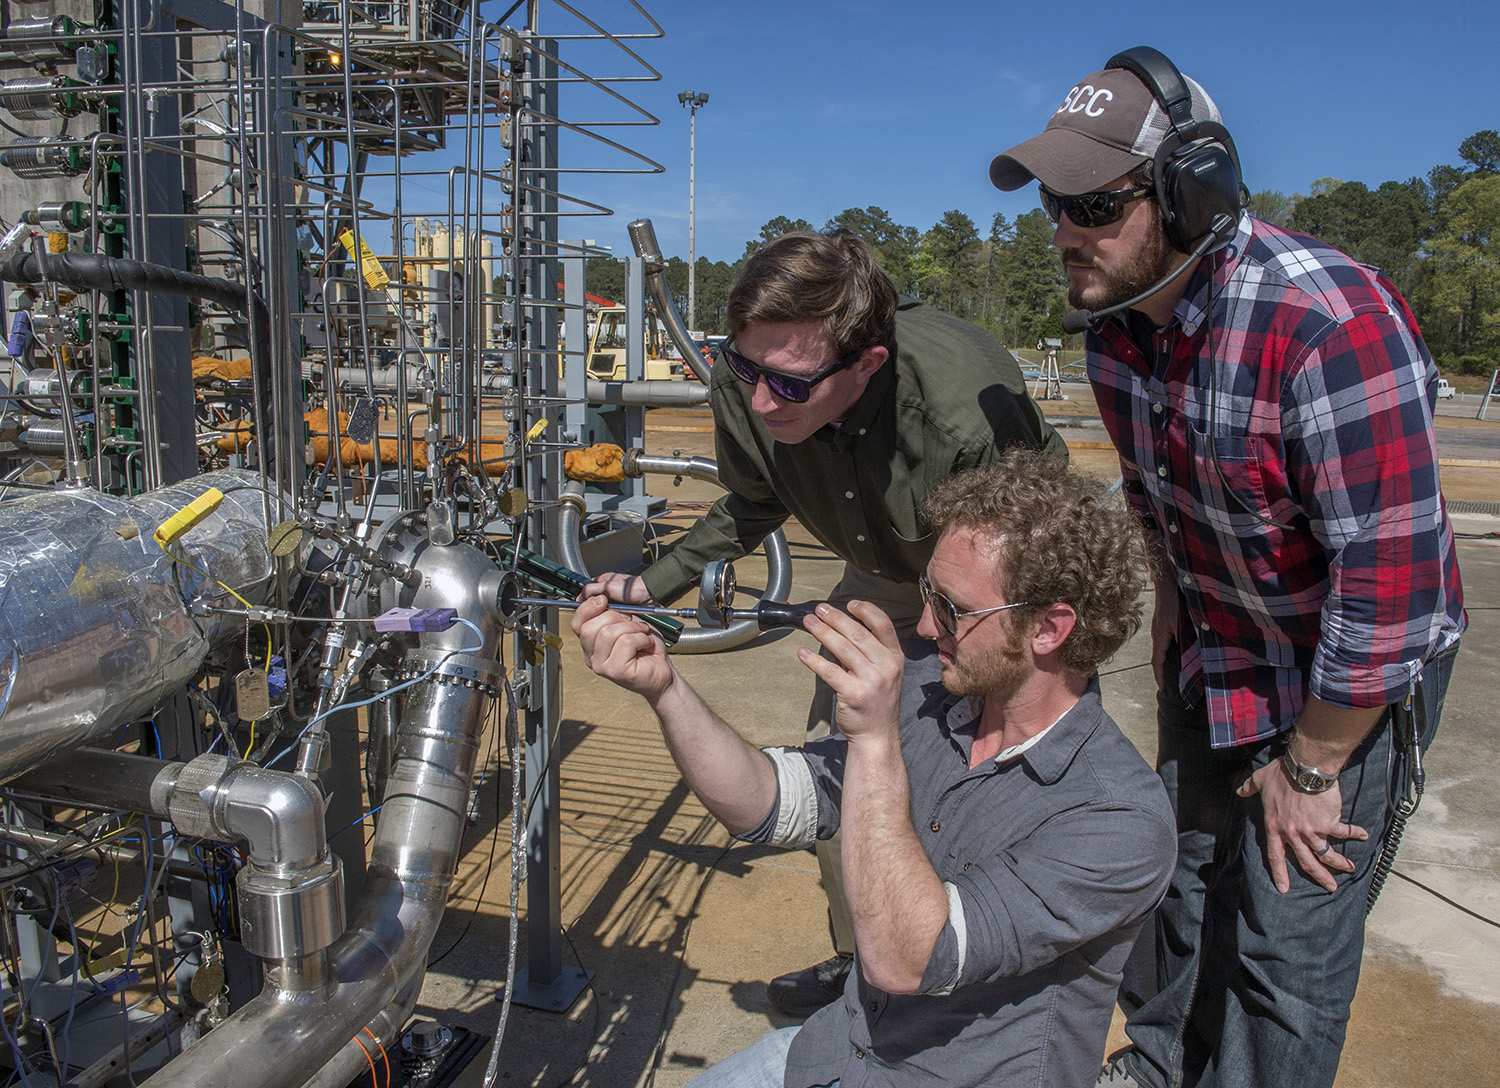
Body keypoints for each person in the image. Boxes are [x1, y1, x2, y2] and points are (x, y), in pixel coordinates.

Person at [988, 46, 1466, 1088]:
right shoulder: (1119, 333)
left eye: (1094, 203)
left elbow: (1392, 588)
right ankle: (1163, 1065)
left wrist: (1312, 767)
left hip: (1348, 670)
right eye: (1054, 207)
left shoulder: (1325, 324)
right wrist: (1171, 591)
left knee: (1284, 940)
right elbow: (1153, 483)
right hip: (1219, 635)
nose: (1065, 230)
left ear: (1191, 193)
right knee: (1180, 875)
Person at [573, 448, 1176, 1087]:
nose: (923, 624)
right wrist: (665, 689)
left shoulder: (1119, 819)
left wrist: (876, 740)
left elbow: (910, 958)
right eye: (927, 596)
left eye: (952, 609)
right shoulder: (932, 695)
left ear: (1049, 630)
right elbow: (766, 804)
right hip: (840, 1050)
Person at [584, 229, 1063, 1016]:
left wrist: (979, 678)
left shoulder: (960, 414)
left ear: (867, 363)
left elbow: (1033, 561)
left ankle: (988, 993)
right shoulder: (753, 372)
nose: (762, 400)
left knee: (995, 786)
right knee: (845, 783)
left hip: (1002, 584)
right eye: (748, 371)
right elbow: (752, 501)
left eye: (791, 385)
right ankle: (865, 966)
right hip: (881, 575)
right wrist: (652, 583)